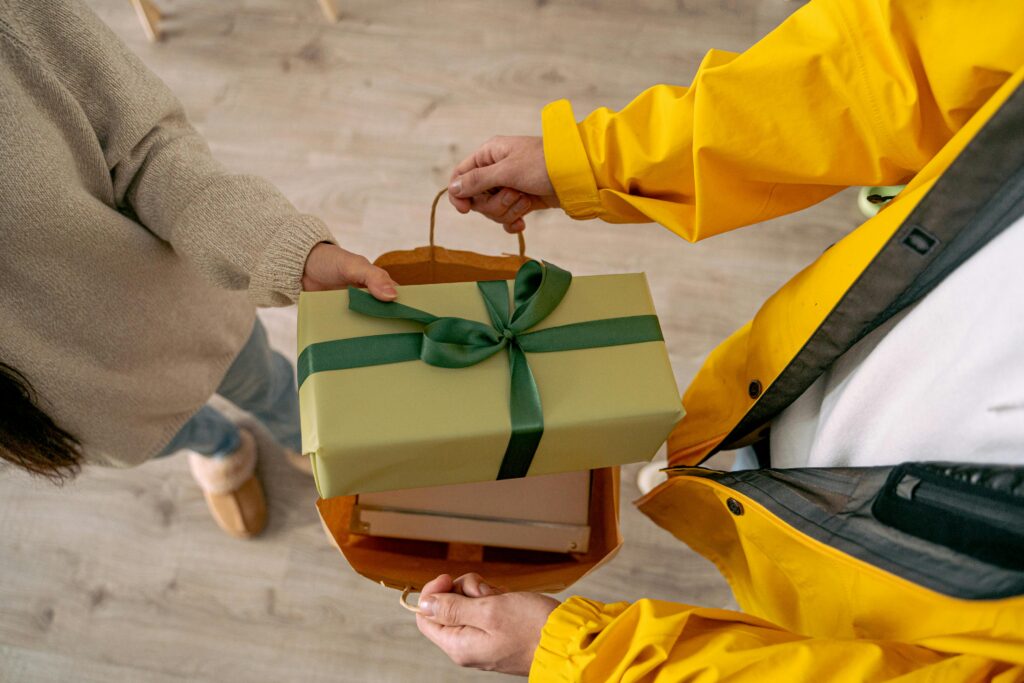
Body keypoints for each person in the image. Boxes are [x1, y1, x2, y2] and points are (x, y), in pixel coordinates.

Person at [414, 0, 1024, 679]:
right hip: (792, 380)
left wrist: (583, 655)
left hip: (866, 593)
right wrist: (597, 161)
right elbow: (886, 64)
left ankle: (722, 491)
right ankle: (719, 475)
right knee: (724, 456)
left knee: (772, 548)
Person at [0, 0, 397, 538]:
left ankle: (299, 434)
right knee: (181, 434)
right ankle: (223, 447)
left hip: (181, 316)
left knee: (271, 384)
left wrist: (279, 248)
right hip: (76, 418)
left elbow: (145, 151)